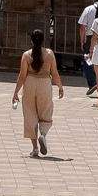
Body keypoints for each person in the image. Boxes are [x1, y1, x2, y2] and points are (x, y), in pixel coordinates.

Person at [14, 29, 63, 157]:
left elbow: (22, 76)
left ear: (31, 40)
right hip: (45, 84)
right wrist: (60, 87)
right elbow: (55, 73)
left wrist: (15, 93)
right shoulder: (50, 54)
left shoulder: (26, 55)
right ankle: (43, 134)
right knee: (46, 112)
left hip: (30, 83)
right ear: (43, 40)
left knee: (30, 115)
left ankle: (35, 148)